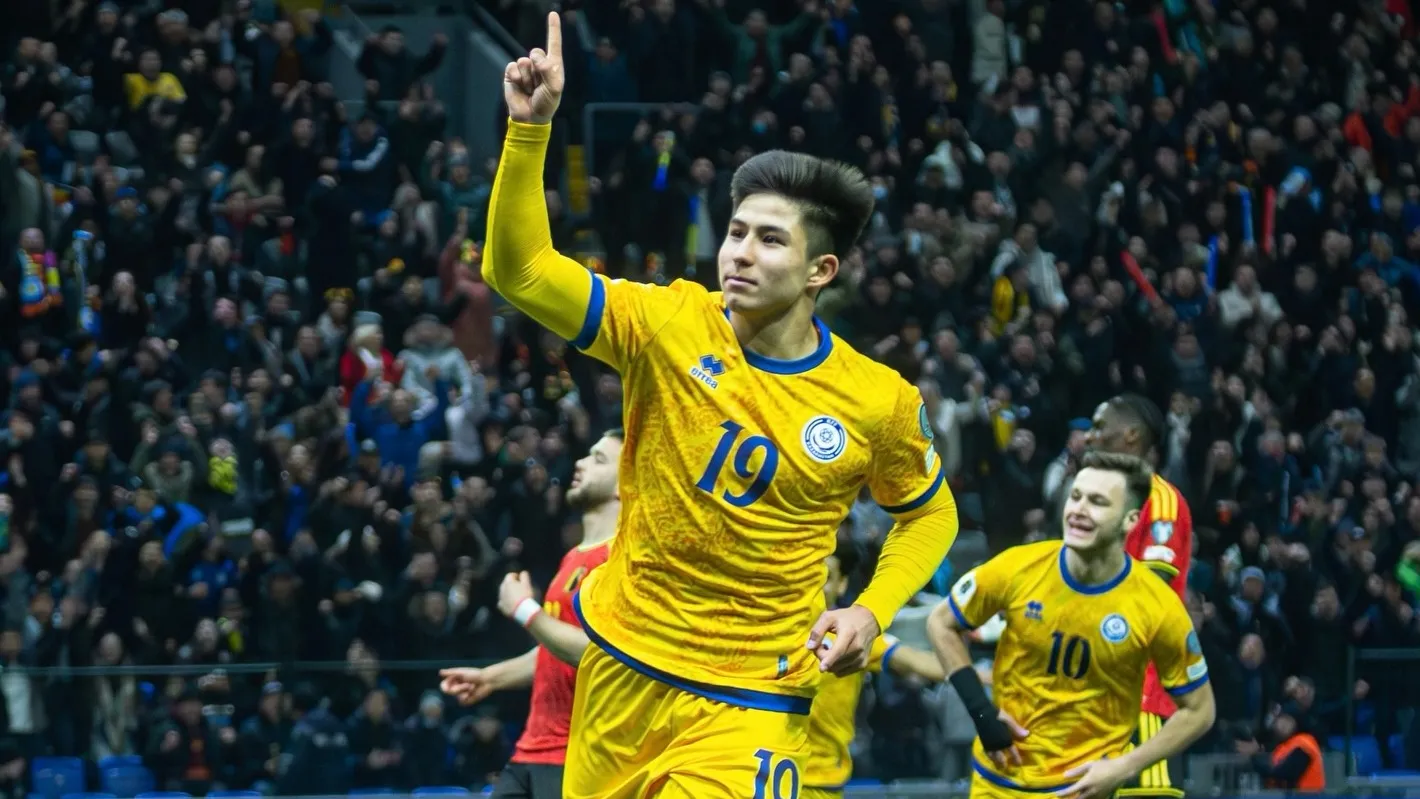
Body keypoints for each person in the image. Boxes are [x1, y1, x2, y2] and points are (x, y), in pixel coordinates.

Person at [488, 13, 959, 798]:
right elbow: (522, 272)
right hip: (622, 671)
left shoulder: (876, 398)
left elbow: (930, 513)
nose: (740, 252)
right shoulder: (667, 322)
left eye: (770, 240)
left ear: (821, 270)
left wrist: (873, 610)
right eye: (737, 232)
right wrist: (529, 132)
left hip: (753, 698)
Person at [926, 451, 1216, 799]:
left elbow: (1200, 710)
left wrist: (1125, 766)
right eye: (1076, 496)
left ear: (1130, 520)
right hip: (998, 783)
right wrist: (982, 713)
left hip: (1082, 790)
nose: (1079, 509)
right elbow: (941, 622)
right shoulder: (1018, 567)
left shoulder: (1157, 606)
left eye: (1097, 502)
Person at [438, 430, 624, 798]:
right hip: (532, 751)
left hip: (580, 760)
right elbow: (557, 648)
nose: (580, 463)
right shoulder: (574, 557)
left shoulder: (621, 560)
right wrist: (491, 678)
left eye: (599, 460)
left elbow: (602, 653)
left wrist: (525, 610)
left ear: (625, 484)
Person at [1086, 394, 1194, 799]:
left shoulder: (1159, 500)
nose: (1090, 436)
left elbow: (1151, 591)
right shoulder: (1105, 503)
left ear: (1131, 435)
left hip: (1143, 692)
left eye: (1100, 426)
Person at [803, 538, 947, 798]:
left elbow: (918, 663)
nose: (816, 585)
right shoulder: (768, 630)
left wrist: (974, 672)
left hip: (819, 780)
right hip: (757, 769)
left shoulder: (852, 635)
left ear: (842, 584)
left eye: (826, 577)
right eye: (810, 576)